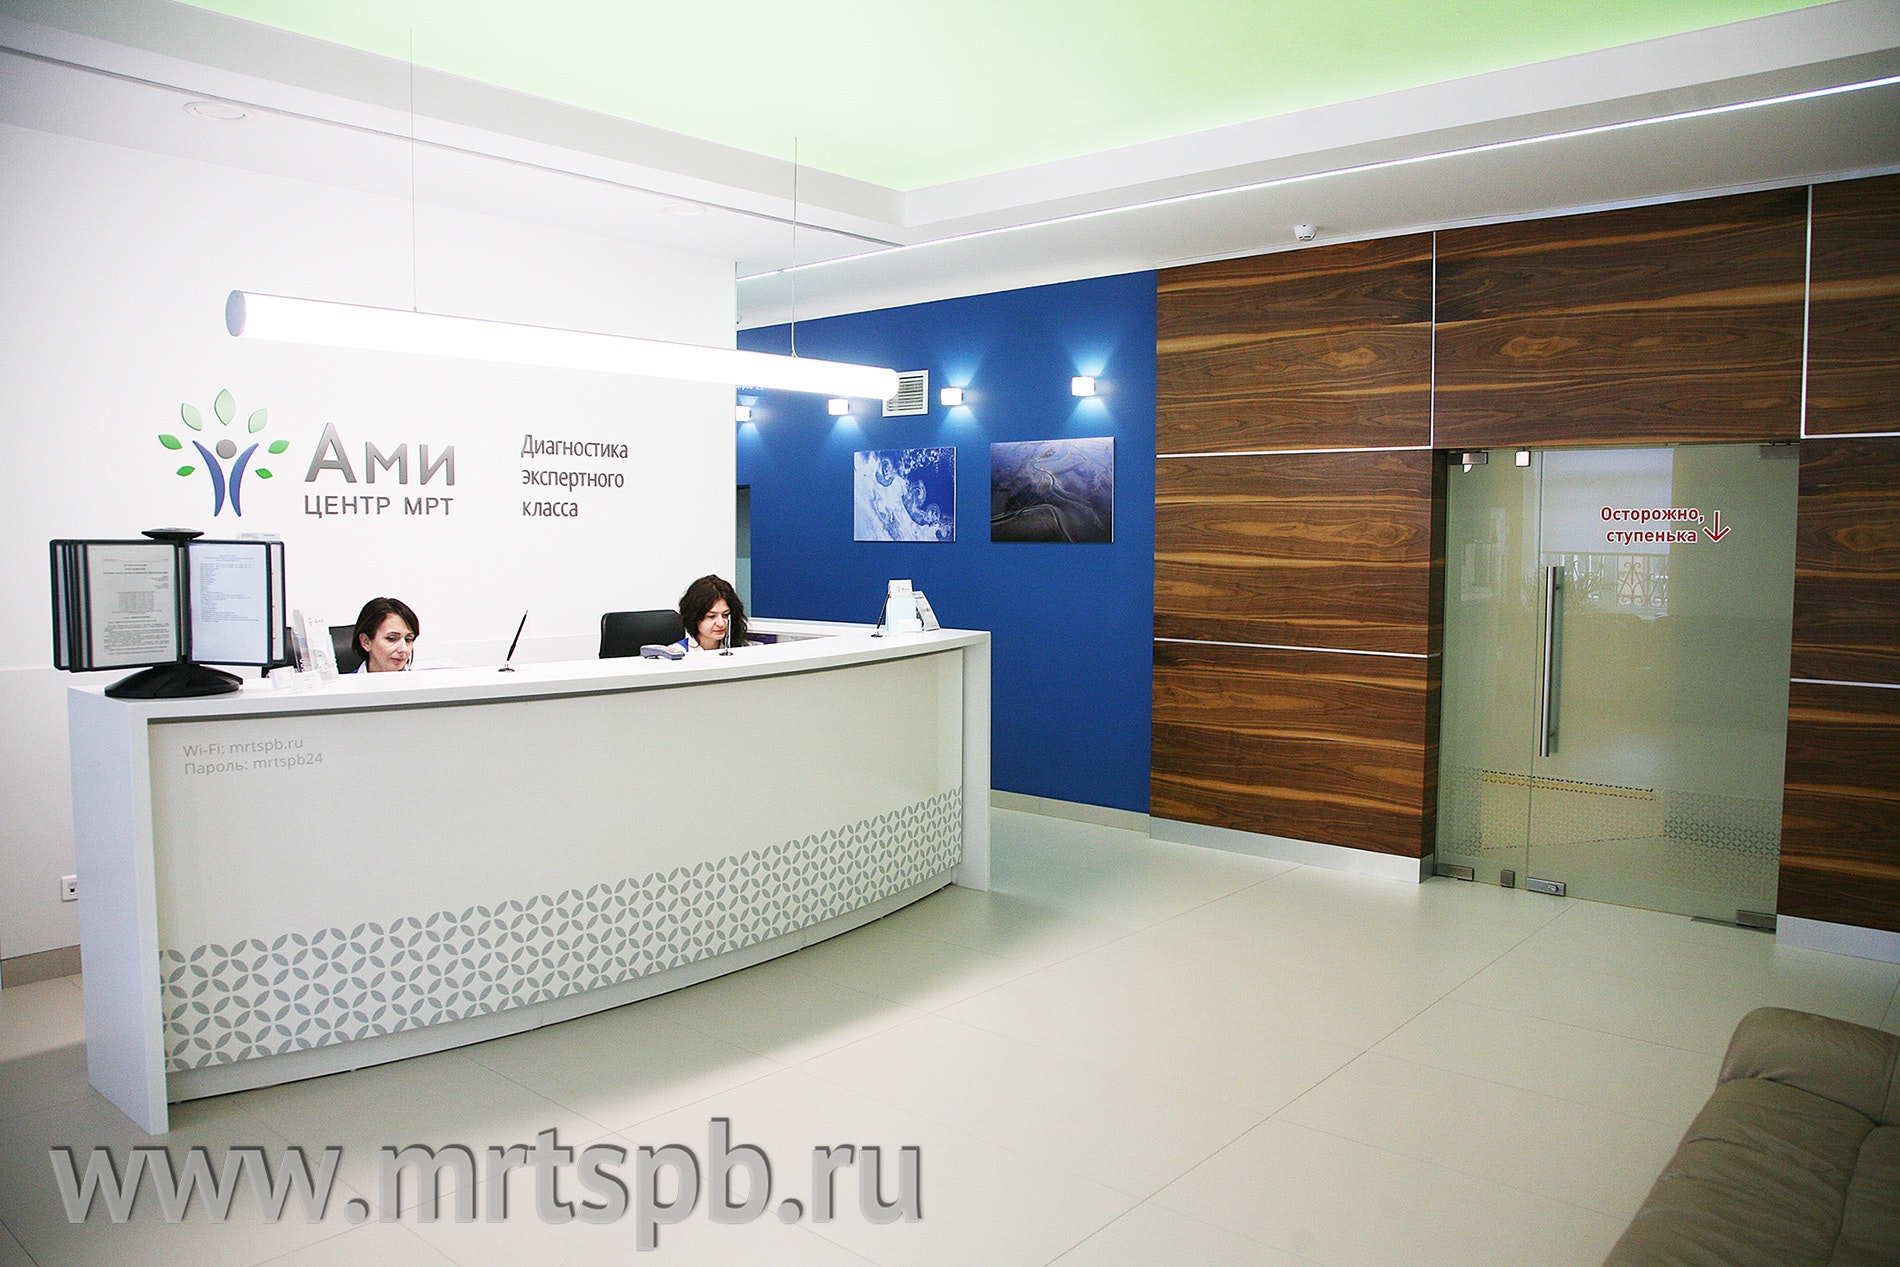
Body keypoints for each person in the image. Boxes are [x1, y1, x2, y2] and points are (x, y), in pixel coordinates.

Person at [676, 575, 748, 653]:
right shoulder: (679, 653)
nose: (721, 623)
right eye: (711, 616)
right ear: (694, 617)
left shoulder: (742, 649)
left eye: (725, 615)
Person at [352, 597, 419, 673]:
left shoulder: (423, 680)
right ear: (366, 642)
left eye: (408, 639)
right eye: (391, 638)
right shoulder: (346, 681)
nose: (404, 649)